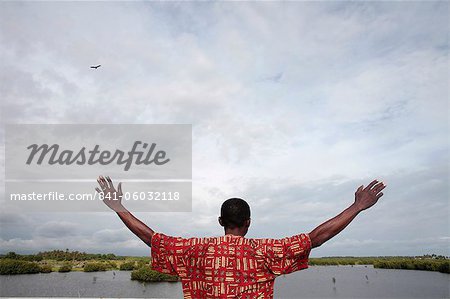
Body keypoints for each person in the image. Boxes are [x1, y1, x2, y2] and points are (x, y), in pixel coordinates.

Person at [96, 176, 386, 299]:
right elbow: (316, 238)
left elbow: (151, 238)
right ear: (248, 223)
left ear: (221, 222)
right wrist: (358, 206)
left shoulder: (195, 250)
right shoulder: (265, 251)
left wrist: (118, 207)